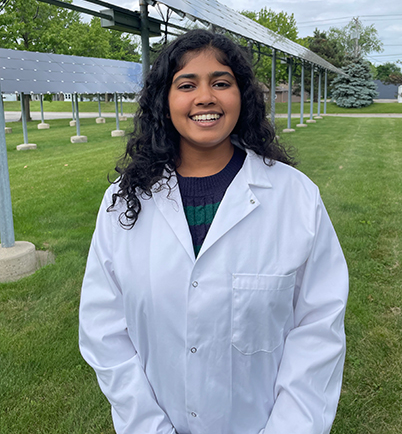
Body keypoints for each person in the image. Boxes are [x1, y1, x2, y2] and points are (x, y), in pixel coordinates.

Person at [79, 29, 348, 434]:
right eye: (186, 85)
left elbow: (318, 330)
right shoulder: (123, 203)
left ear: (242, 96)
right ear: (164, 102)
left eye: (221, 83)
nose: (205, 97)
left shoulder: (295, 198)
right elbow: (104, 329)